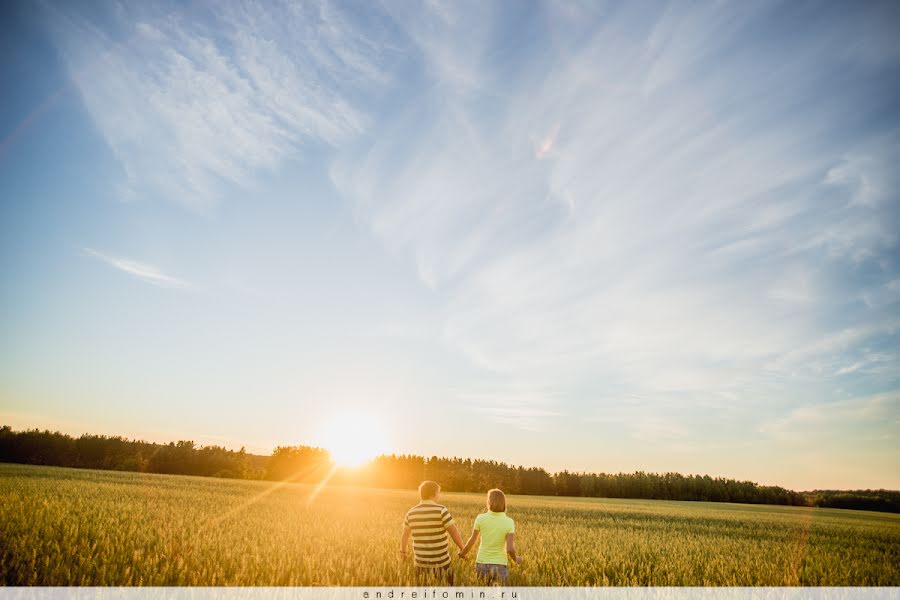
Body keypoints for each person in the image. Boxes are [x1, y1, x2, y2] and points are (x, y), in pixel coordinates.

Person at [400, 480, 465, 585]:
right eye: (438, 493)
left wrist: (403, 552)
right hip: (442, 563)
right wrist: (463, 548)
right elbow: (453, 532)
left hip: (420, 564)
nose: (439, 495)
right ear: (433, 494)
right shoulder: (441, 510)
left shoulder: (411, 513)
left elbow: (405, 535)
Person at [459, 488, 522, 585]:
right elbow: (510, 548)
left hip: (481, 563)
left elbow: (472, 540)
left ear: (489, 502)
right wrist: (516, 559)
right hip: (500, 565)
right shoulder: (509, 522)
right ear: (504, 503)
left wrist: (463, 553)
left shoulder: (480, 518)